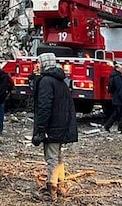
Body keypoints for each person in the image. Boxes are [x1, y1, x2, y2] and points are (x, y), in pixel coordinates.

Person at [32, 52, 77, 200]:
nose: (38, 65)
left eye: (39, 62)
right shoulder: (61, 81)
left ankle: (51, 191)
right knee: (57, 156)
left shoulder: (46, 81)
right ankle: (61, 186)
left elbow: (44, 107)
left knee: (51, 157)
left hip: (52, 125)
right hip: (62, 124)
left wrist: (40, 129)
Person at [103, 62, 122, 133]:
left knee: (116, 113)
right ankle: (119, 127)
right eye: (121, 68)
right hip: (118, 98)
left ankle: (108, 126)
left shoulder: (113, 76)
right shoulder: (118, 77)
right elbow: (120, 89)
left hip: (115, 97)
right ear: (117, 68)